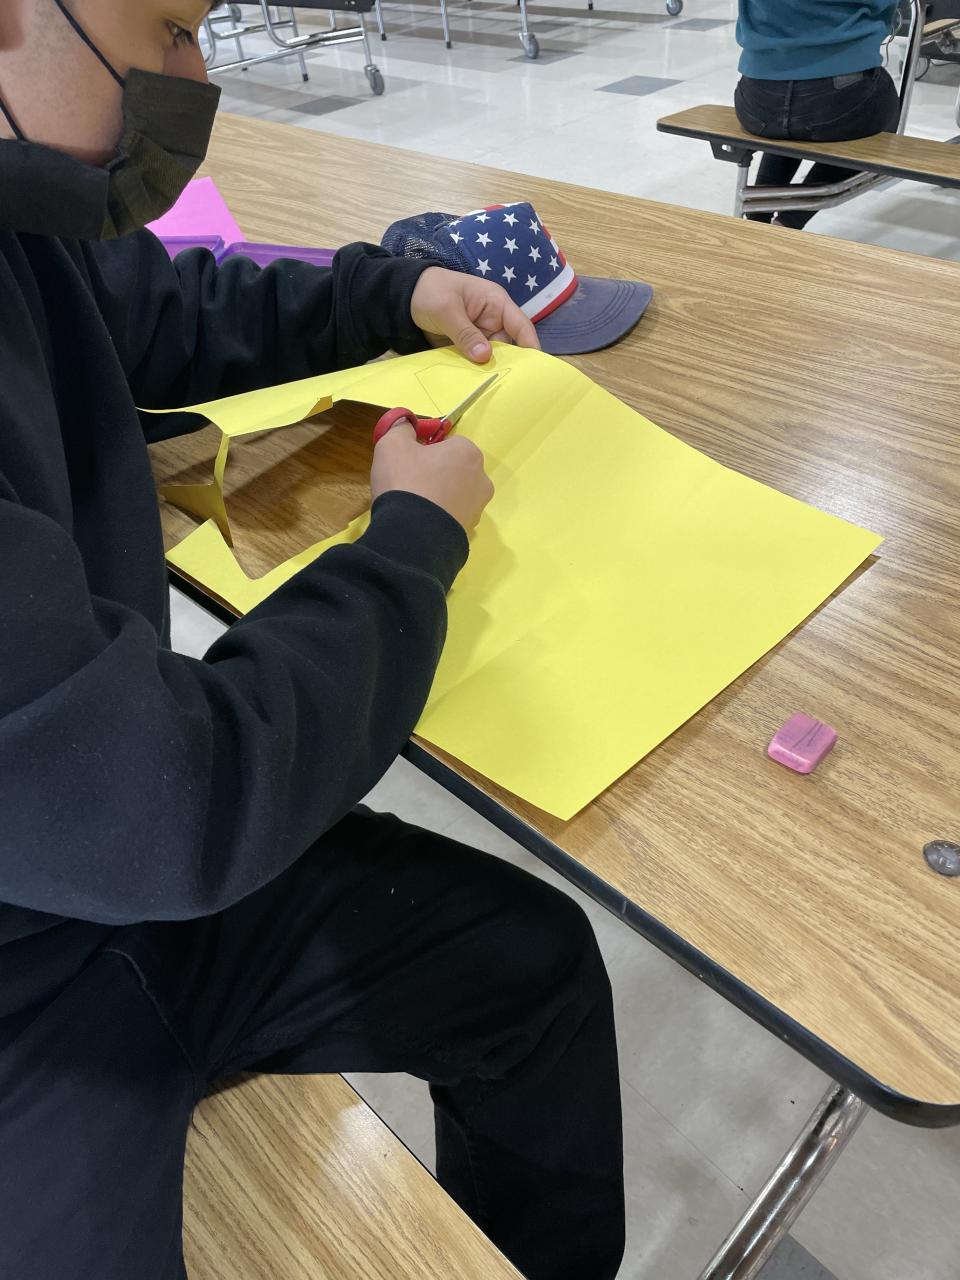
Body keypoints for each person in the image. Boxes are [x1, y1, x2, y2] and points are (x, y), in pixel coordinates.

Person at [0, 3, 626, 1278]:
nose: (196, 77)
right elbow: (167, 801)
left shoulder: (23, 206)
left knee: (534, 969)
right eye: (169, 30)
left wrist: (392, 293)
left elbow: (155, 311)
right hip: (34, 980)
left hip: (98, 859)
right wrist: (409, 546)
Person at [735, 1, 901, 229]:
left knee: (789, 127)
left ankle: (758, 217)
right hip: (837, 94)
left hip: (757, 99)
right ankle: (790, 221)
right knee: (881, 117)